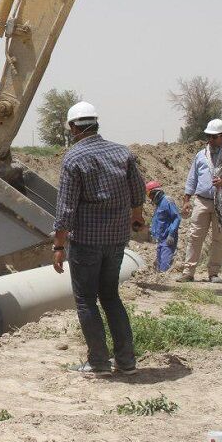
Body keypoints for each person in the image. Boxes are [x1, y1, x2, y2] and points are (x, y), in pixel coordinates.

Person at [52, 102, 145, 377]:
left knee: (85, 300)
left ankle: (99, 362)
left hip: (87, 243)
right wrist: (136, 216)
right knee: (111, 296)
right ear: (96, 123)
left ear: (72, 128)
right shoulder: (122, 153)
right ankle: (126, 361)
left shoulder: (74, 158)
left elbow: (66, 208)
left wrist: (58, 246)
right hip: (117, 240)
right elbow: (138, 189)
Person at [179, 119, 222, 283]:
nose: (210, 140)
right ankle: (188, 272)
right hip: (202, 201)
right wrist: (187, 199)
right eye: (208, 136)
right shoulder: (201, 155)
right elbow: (192, 178)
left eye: (214, 137)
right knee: (195, 236)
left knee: (219, 238)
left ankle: (213, 273)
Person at [146, 180, 181, 272]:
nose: (150, 198)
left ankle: (164, 283)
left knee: (164, 266)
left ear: (154, 192)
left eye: (150, 195)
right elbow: (158, 221)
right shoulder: (158, 204)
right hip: (160, 239)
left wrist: (171, 234)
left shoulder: (167, 201)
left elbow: (177, 218)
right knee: (159, 265)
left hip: (168, 239)